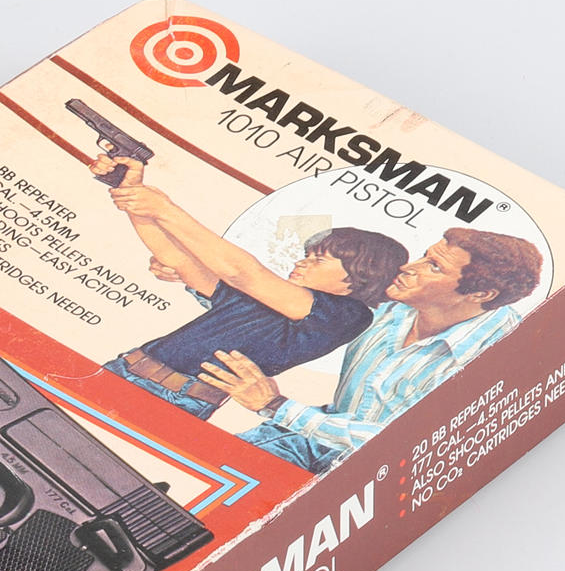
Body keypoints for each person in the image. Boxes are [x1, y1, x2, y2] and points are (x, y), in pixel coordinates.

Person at [198, 228, 545, 473]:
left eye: (433, 267)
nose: (408, 268)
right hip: (307, 440)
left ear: (481, 294)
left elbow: (401, 444)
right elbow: (297, 310)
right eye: (425, 256)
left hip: (374, 478)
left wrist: (275, 405)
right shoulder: (390, 307)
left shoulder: (500, 355)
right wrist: (203, 285)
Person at [94, 155, 409, 420]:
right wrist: (129, 191)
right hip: (125, 368)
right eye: (307, 255)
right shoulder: (263, 299)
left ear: (361, 274)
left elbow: (241, 273)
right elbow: (177, 259)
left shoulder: (348, 315)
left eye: (319, 260)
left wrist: (164, 209)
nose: (302, 263)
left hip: (173, 399)